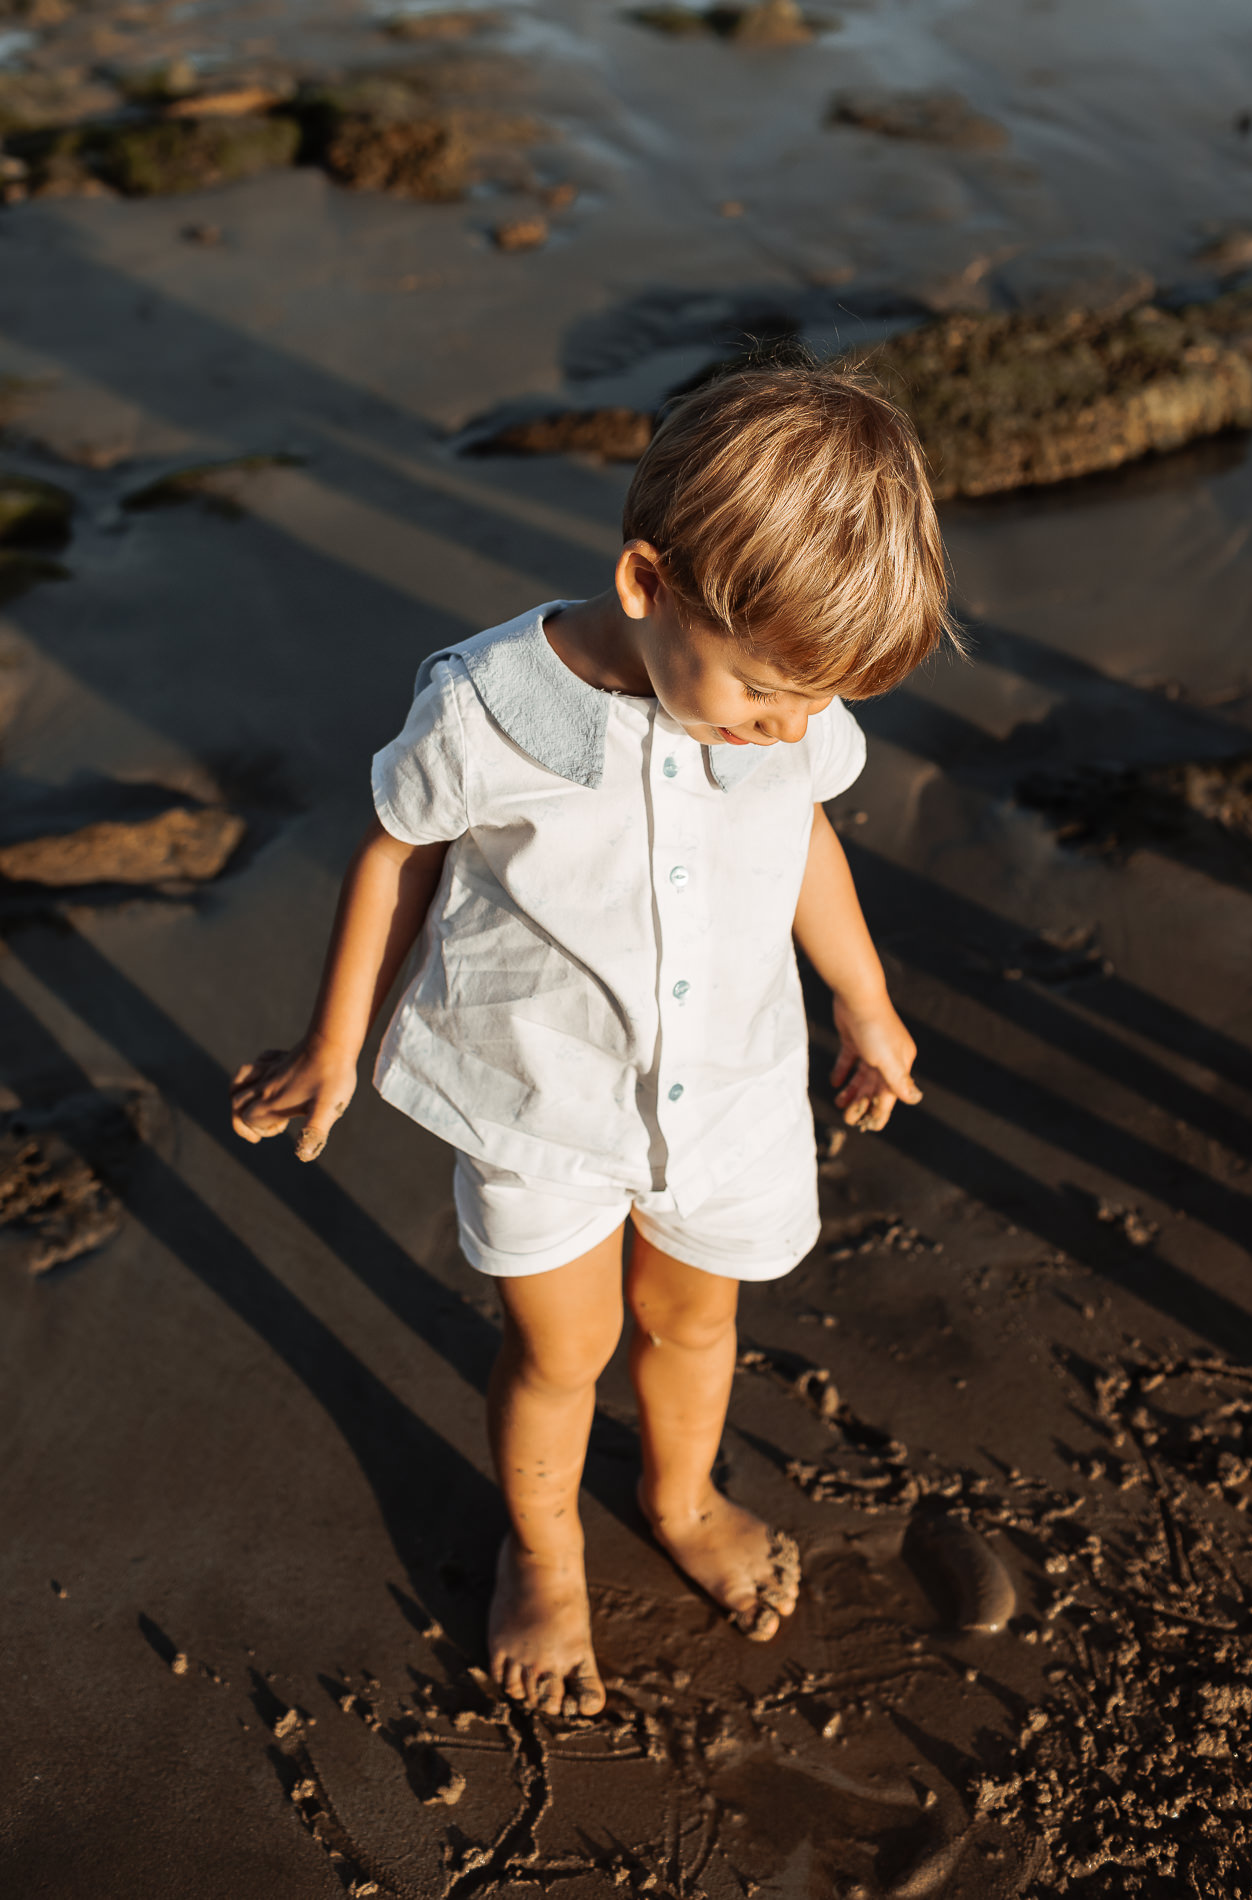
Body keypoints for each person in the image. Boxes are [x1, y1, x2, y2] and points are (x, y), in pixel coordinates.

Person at [231, 360, 953, 1722]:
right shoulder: (491, 703)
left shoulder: (786, 691)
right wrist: (335, 1044)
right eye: (763, 696)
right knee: (563, 1350)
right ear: (647, 585)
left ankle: (679, 1497)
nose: (791, 728)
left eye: (813, 704)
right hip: (539, 1097)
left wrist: (861, 998)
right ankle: (544, 1556)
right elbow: (397, 854)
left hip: (727, 1091)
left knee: (695, 1319)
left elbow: (803, 826)